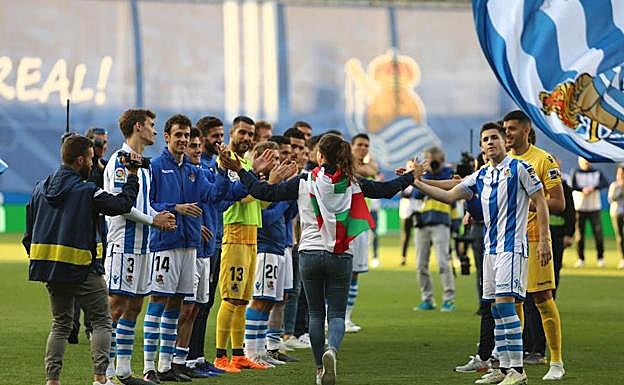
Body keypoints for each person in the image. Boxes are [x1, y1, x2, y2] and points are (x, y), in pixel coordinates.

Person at [219, 133, 420, 385]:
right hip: (341, 254)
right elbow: (386, 189)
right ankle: (331, 350)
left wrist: (240, 169)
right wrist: (413, 174)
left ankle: (318, 369)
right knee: (336, 313)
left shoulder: (304, 181)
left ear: (319, 156)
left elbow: (264, 192)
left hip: (310, 253)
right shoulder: (353, 183)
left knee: (315, 313)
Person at [413, 122, 551, 385]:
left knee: (505, 306)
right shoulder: (482, 175)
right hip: (490, 249)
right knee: (495, 310)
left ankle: (517, 371)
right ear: (481, 147)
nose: (490, 142)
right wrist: (416, 182)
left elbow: (541, 201)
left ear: (504, 142)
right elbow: (450, 195)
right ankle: (500, 367)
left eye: (494, 138)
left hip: (512, 247)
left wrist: (544, 239)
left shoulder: (521, 168)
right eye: (485, 139)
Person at [24, 134, 142, 385]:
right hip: (84, 269)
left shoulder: (39, 187)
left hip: (51, 271)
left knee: (60, 325)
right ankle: (100, 378)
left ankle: (52, 380)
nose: (93, 163)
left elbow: (28, 237)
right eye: (90, 158)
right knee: (102, 321)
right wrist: (132, 175)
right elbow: (122, 205)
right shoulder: (88, 191)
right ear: (80, 160)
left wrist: (46, 261)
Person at [142, 114, 229, 383]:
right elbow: (148, 204)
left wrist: (224, 171)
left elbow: (214, 195)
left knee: (178, 304)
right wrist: (175, 208)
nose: (182, 140)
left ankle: (168, 365)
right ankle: (149, 367)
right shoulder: (155, 167)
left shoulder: (193, 170)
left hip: (190, 246)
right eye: (177, 135)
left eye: (186, 136)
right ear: (166, 137)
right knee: (158, 301)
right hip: (165, 244)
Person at [103, 109, 177, 385]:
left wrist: (161, 215)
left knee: (134, 305)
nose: (155, 131)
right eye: (151, 125)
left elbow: (142, 204)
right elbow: (122, 207)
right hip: (124, 245)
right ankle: (105, 373)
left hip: (144, 245)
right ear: (138, 127)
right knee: (116, 307)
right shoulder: (121, 162)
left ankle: (123, 370)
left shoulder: (140, 165)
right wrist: (153, 219)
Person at [504, 110, 566, 380]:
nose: (507, 134)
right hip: (508, 241)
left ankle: (556, 362)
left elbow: (558, 202)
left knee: (542, 298)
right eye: (505, 129)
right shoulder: (502, 162)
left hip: (534, 238)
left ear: (526, 131)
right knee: (512, 301)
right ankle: (516, 362)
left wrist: (525, 204)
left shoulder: (543, 160)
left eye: (512, 129)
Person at [213, 116, 272, 372]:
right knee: (229, 297)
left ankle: (238, 355)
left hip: (251, 236)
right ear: (232, 133)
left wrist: (267, 184)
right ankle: (220, 356)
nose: (247, 138)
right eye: (243, 133)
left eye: (251, 134)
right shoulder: (226, 163)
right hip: (234, 234)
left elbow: (260, 201)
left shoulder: (245, 164)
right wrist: (260, 181)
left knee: (242, 300)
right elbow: (239, 196)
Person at [186, 116, 230, 375]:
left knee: (205, 302)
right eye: (215, 136)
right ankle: (187, 358)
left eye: (221, 135)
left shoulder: (213, 166)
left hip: (214, 238)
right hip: (200, 242)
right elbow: (198, 201)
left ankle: (198, 357)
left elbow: (220, 202)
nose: (219, 141)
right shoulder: (195, 167)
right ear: (201, 139)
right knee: (192, 304)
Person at [70, 127, 110, 344]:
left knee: (94, 277)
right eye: (97, 143)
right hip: (83, 229)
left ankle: (88, 326)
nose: (102, 147)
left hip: (101, 229)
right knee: (80, 278)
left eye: (104, 143)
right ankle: (73, 326)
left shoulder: (106, 168)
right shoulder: (84, 169)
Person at [413, 146, 456, 312]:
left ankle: (449, 299)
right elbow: (416, 195)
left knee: (443, 262)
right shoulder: (425, 175)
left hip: (441, 223)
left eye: (434, 158)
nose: (432, 161)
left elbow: (449, 189)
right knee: (420, 264)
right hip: (422, 223)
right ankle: (427, 298)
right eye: (429, 158)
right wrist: (426, 172)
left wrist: (434, 173)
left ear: (442, 157)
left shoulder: (448, 173)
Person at [345, 133, 379, 332]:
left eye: (366, 145)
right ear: (351, 146)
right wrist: (365, 167)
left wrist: (367, 167)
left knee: (355, 272)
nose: (363, 148)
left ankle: (347, 317)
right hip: (346, 221)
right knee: (340, 273)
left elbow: (370, 170)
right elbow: (363, 170)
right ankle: (330, 316)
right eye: (359, 144)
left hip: (362, 222)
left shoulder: (366, 167)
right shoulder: (346, 166)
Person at [569, 156, 609, 268]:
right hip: (580, 207)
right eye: (584, 161)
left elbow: (605, 183)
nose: (586, 163)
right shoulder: (575, 172)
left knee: (598, 234)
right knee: (579, 235)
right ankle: (581, 258)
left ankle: (600, 258)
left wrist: (594, 188)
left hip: (594, 207)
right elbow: (572, 185)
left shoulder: (597, 172)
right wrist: (582, 189)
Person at [608, 165, 624, 269]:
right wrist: (621, 190)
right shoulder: (614, 185)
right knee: (620, 236)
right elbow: (611, 199)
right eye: (619, 173)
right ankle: (623, 258)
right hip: (616, 213)